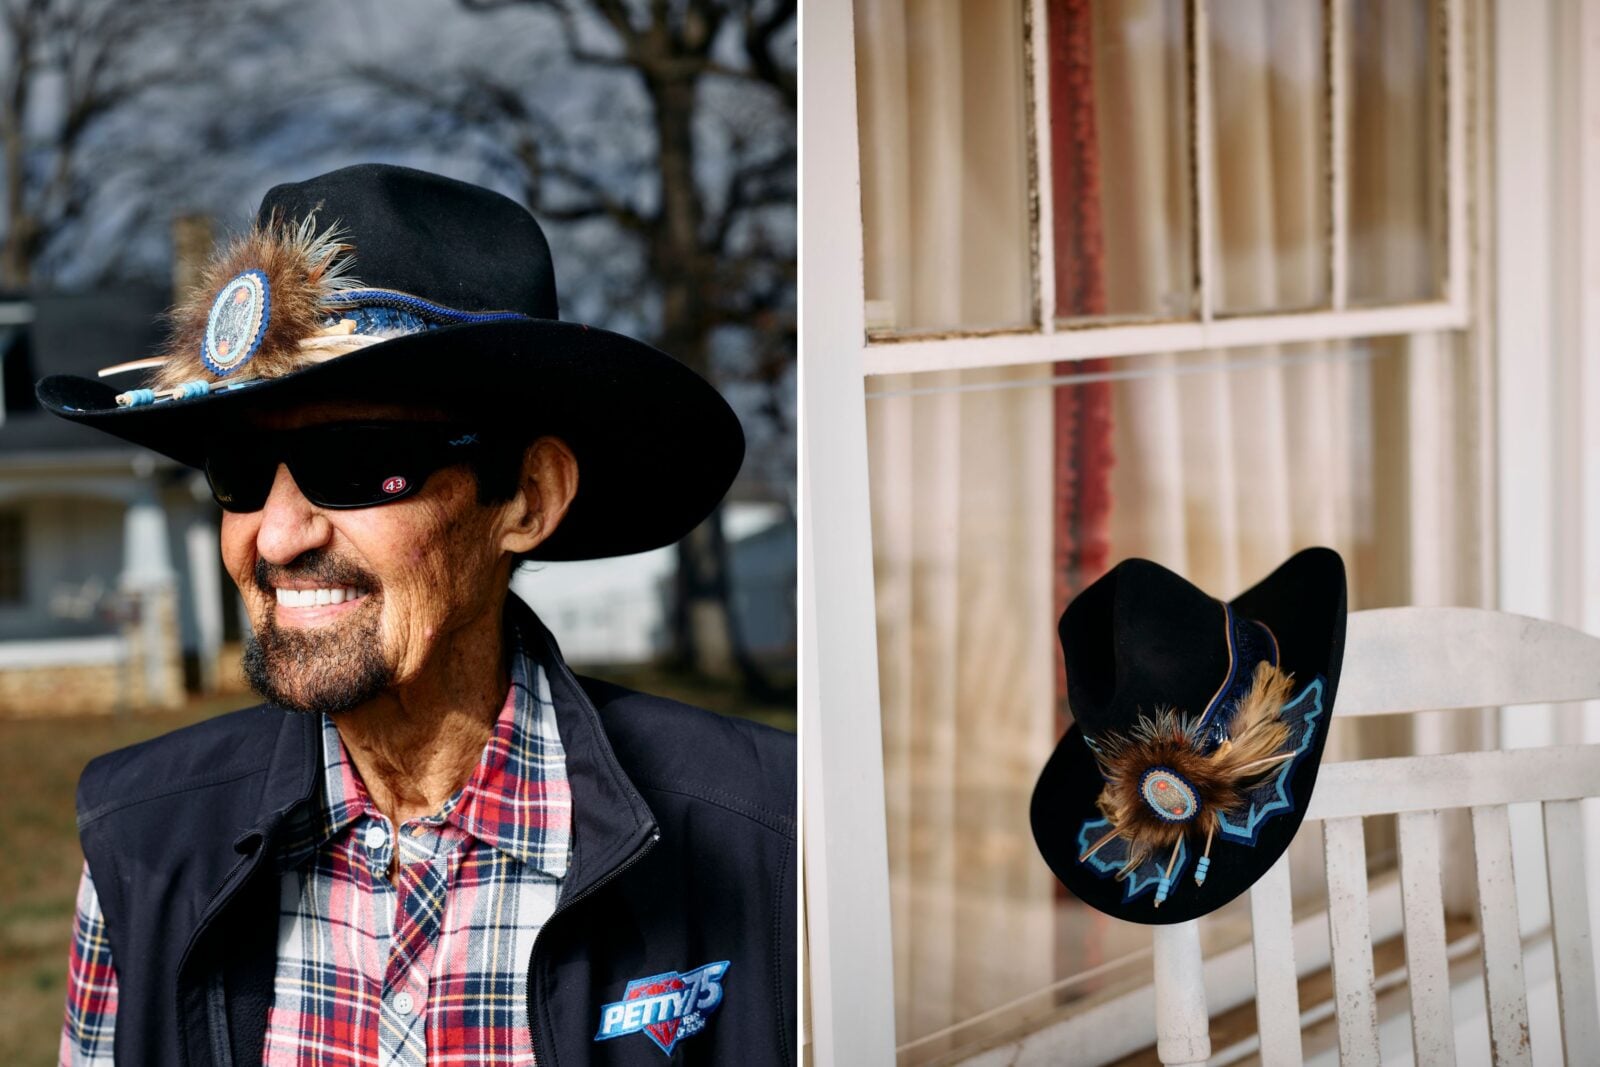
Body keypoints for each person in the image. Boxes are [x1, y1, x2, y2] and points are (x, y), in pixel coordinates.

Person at [40, 164, 795, 1065]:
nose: (276, 535)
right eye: (238, 470)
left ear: (529, 498)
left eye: (360, 463)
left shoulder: (768, 834)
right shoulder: (139, 846)